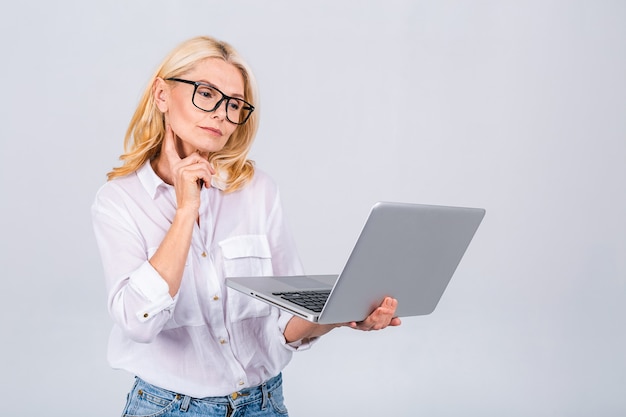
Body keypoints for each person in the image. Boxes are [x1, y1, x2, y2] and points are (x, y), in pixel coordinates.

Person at [91, 35, 401, 417]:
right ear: (161, 95)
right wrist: (186, 210)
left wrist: (339, 314)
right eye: (206, 94)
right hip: (169, 408)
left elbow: (284, 319)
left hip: (264, 404)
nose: (221, 113)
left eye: (234, 104)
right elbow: (138, 323)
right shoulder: (119, 201)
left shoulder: (258, 190)